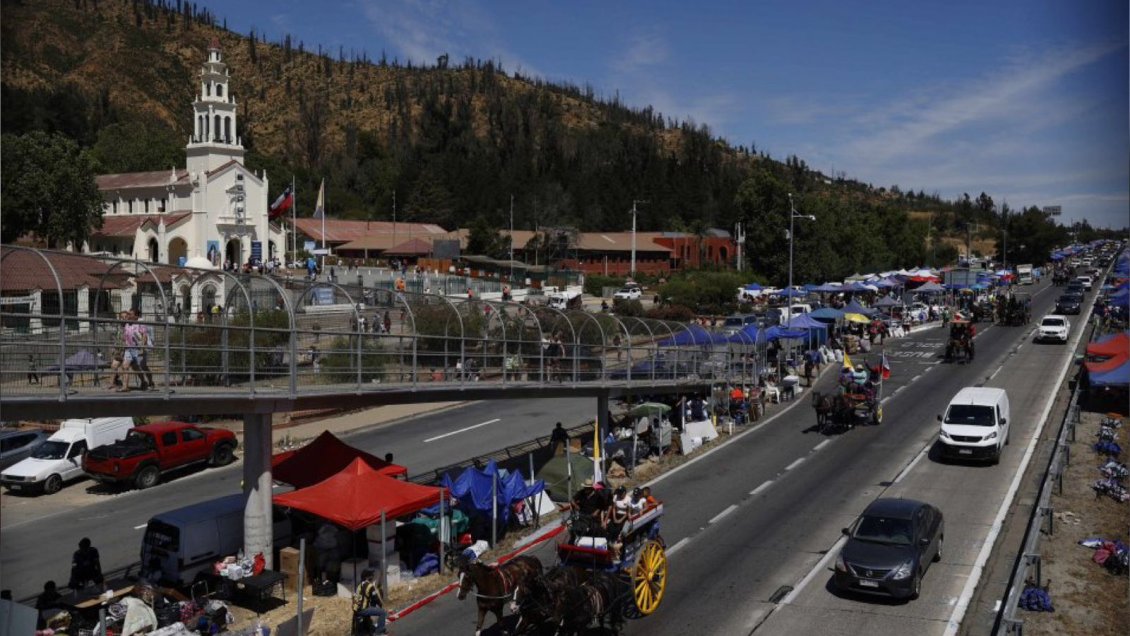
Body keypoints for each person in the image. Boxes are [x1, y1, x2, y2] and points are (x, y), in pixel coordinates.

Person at [352, 568, 388, 634]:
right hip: (363, 610)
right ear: (367, 577)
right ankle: (379, 632)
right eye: (371, 575)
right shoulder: (370, 586)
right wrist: (380, 606)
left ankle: (367, 627)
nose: (373, 576)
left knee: (370, 607)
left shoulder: (359, 585)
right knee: (382, 612)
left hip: (356, 609)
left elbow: (355, 597)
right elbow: (376, 599)